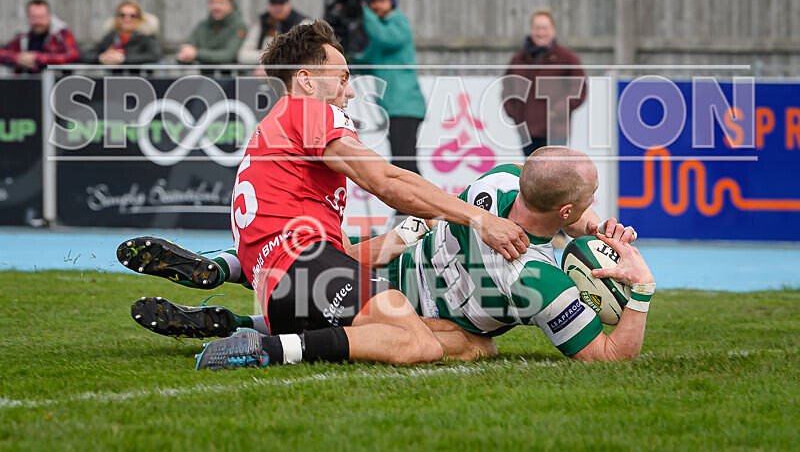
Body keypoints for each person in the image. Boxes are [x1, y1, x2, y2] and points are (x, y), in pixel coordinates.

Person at [122, 20, 529, 370]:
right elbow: (385, 181)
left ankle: (245, 321)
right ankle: (267, 347)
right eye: (343, 77)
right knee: (417, 343)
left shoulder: (272, 132)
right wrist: (480, 218)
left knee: (469, 343)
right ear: (306, 79)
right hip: (302, 271)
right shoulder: (309, 111)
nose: (349, 92)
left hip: (282, 288)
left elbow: (344, 255)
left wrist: (410, 232)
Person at [120, 148, 652, 366]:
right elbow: (610, 358)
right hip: (403, 305)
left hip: (391, 256)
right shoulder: (539, 282)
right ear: (563, 210)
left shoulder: (499, 182)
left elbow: (543, 192)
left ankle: (227, 270)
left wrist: (589, 224)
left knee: (318, 265)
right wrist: (642, 289)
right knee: (473, 345)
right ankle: (249, 332)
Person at [351, 0, 426, 174]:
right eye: (373, 2)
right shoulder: (379, 31)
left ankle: (416, 202)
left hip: (404, 107)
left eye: (381, 1)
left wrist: (364, 12)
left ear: (392, 3)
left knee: (404, 164)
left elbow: (386, 37)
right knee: (403, 162)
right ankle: (413, 203)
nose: (376, 5)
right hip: (393, 108)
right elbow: (364, 60)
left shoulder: (398, 23)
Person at [503, 7, 587, 157]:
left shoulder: (566, 58)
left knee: (554, 174)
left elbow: (579, 88)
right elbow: (507, 88)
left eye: (544, 28)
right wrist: (515, 113)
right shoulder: (518, 59)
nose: (540, 32)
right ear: (531, 30)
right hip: (527, 130)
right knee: (531, 174)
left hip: (555, 129)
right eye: (537, 28)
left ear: (552, 30)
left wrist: (559, 109)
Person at [237, 0, 311, 72]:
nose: (278, 8)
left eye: (281, 4)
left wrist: (270, 61)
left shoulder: (303, 23)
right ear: (269, 5)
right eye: (274, 4)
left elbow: (307, 54)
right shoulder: (261, 23)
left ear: (289, 4)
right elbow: (242, 55)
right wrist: (266, 59)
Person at [0, 0, 80, 73]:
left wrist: (37, 58)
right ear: (28, 18)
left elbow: (73, 56)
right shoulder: (22, 36)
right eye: (34, 17)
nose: (38, 22)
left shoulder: (61, 34)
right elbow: (2, 53)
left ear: (49, 16)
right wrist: (17, 58)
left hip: (55, 83)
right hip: (25, 83)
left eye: (41, 17)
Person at [175, 0, 247, 65]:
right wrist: (184, 55)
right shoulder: (203, 26)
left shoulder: (239, 26)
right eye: (212, 2)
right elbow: (185, 47)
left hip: (231, 75)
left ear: (230, 5)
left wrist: (196, 54)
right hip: (206, 76)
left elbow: (229, 55)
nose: (216, 6)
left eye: (221, 2)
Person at [81, 0, 161, 65]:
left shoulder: (146, 37)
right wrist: (102, 57)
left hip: (140, 81)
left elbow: (154, 56)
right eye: (122, 15)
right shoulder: (110, 37)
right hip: (112, 81)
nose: (127, 19)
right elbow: (87, 55)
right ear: (117, 18)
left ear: (139, 19)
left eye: (132, 16)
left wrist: (123, 58)